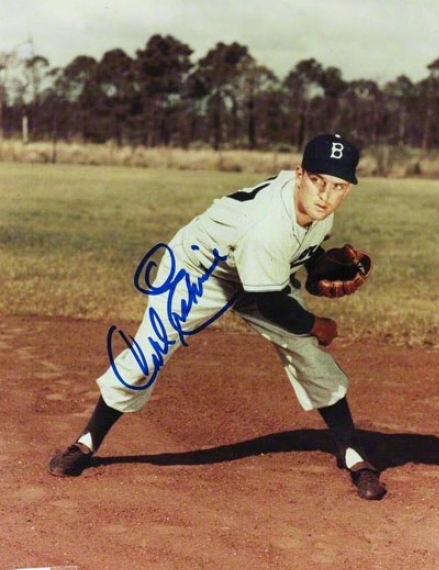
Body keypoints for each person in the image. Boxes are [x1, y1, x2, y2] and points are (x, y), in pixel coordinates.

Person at [49, 134, 386, 501]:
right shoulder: (267, 226)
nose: (325, 194)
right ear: (300, 174)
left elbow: (292, 255)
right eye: (318, 181)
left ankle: (351, 451)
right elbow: (271, 302)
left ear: (348, 189)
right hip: (197, 270)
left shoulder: (319, 207)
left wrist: (314, 267)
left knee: (307, 352)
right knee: (148, 353)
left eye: (337, 185)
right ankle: (86, 443)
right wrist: (318, 324)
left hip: (257, 272)